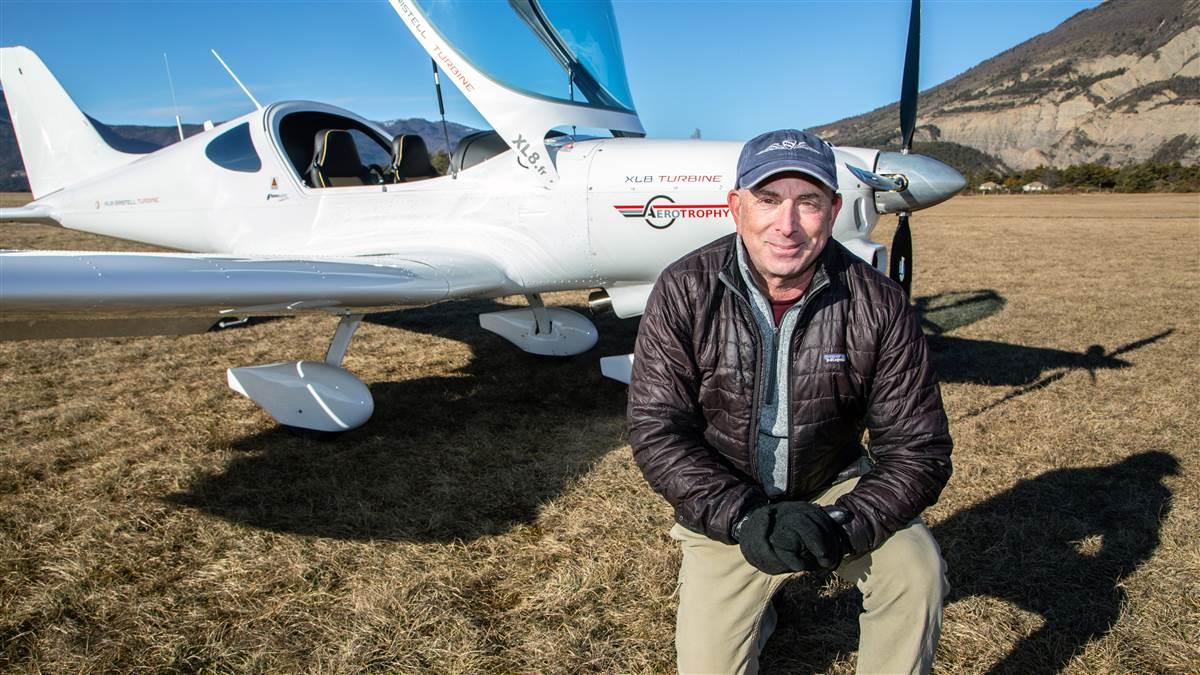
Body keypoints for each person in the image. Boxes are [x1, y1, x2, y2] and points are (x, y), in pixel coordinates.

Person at [628, 129, 953, 674]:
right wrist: (744, 518)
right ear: (736, 207)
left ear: (833, 210)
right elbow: (657, 429)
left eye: (807, 202)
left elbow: (918, 449)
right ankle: (761, 601)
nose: (787, 224)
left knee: (917, 573)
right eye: (768, 199)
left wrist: (844, 524)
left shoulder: (880, 304)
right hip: (728, 496)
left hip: (835, 484)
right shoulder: (683, 288)